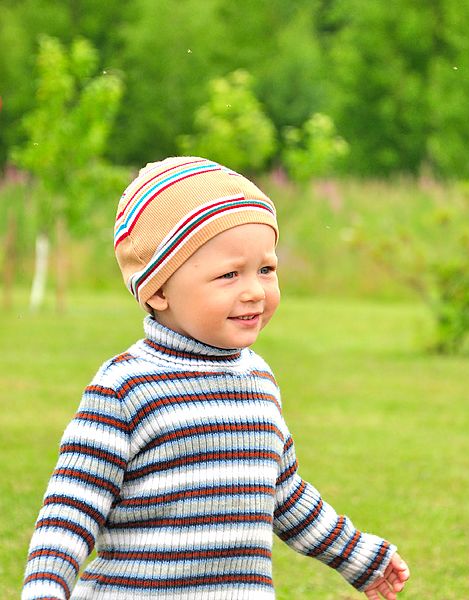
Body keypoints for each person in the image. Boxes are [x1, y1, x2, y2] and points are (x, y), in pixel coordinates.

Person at [21, 156, 409, 600]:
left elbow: (284, 492)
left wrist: (357, 555)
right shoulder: (126, 388)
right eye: (229, 274)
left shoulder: (258, 381)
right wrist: (45, 589)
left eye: (266, 269)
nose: (254, 291)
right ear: (158, 289)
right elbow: (71, 508)